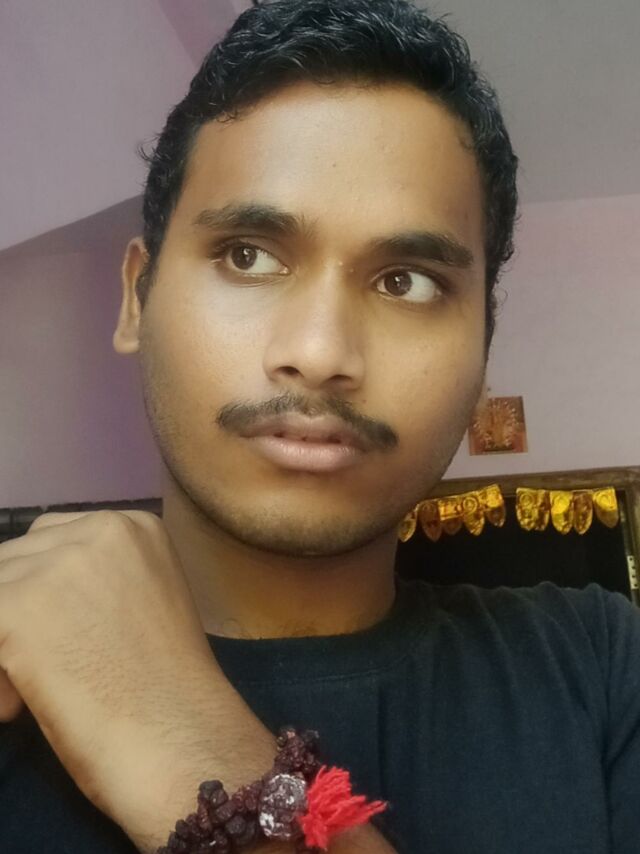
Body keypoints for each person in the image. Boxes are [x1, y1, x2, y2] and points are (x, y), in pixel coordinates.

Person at [1, 1, 638, 852]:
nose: (320, 352)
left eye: (406, 281)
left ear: (485, 349)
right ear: (135, 300)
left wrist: (184, 744)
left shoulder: (602, 668)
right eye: (248, 256)